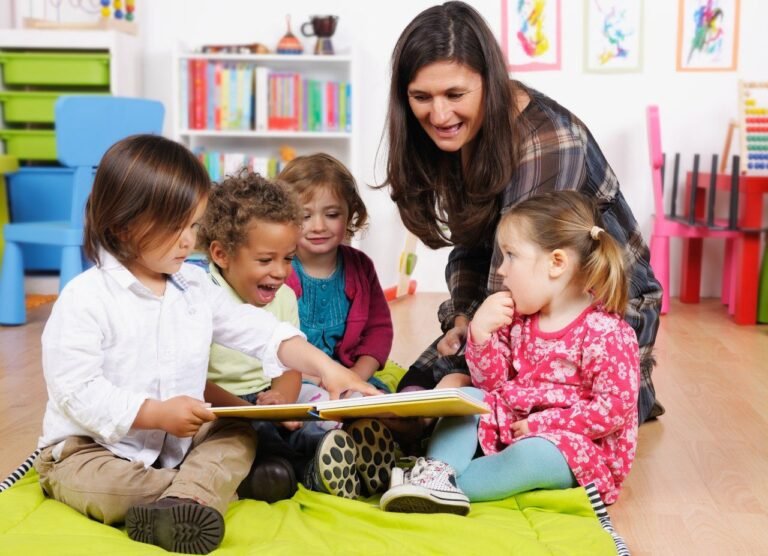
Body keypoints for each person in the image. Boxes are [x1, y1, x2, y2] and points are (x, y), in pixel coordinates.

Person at [34, 135, 378, 555]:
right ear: (123, 224)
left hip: (177, 446)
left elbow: (261, 331)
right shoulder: (86, 297)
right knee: (107, 488)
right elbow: (77, 390)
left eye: (193, 226)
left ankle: (191, 497)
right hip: (90, 450)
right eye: (175, 227)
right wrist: (156, 413)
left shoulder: (193, 286)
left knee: (237, 430)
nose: (187, 240)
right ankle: (203, 493)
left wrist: (329, 370)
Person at [377, 1, 662, 424]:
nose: (438, 115)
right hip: (516, 298)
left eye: (455, 95)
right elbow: (473, 250)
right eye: (421, 97)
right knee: (417, 388)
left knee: (482, 404)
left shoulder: (548, 141)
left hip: (595, 311)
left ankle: (631, 387)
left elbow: (522, 283)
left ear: (489, 81)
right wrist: (461, 321)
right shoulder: (459, 135)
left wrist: (462, 367)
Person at [380, 190, 640, 515]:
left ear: (556, 263)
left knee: (532, 456)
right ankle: (435, 469)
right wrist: (480, 335)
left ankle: (446, 489)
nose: (501, 270)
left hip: (576, 447)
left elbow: (613, 409)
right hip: (513, 424)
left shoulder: (606, 333)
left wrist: (542, 424)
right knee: (467, 397)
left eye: (511, 256)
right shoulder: (517, 318)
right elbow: (492, 384)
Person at [197, 170, 392, 502]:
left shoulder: (284, 296)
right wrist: (250, 414)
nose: (280, 271)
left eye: (288, 259)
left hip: (269, 397)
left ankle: (346, 453)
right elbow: (194, 378)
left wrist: (282, 401)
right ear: (221, 255)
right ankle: (305, 470)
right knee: (250, 436)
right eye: (265, 260)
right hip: (220, 405)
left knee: (306, 421)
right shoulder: (199, 295)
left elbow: (289, 366)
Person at [278, 153, 399, 498]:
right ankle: (328, 455)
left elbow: (379, 329)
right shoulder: (280, 270)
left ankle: (371, 453)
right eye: (304, 217)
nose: (319, 226)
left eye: (332, 214)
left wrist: (357, 377)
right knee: (306, 416)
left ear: (350, 215)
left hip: (349, 375)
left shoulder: (359, 266)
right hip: (297, 380)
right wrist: (319, 379)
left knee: (387, 406)